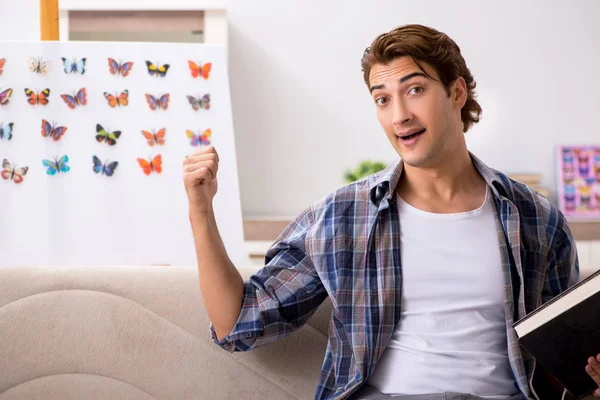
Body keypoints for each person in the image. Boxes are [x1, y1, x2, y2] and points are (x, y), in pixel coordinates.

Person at [183, 24, 600, 400]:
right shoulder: (343, 215)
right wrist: (201, 212)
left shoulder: (536, 219)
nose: (399, 115)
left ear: (456, 93)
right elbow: (237, 324)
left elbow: (560, 369)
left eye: (415, 90)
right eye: (383, 99)